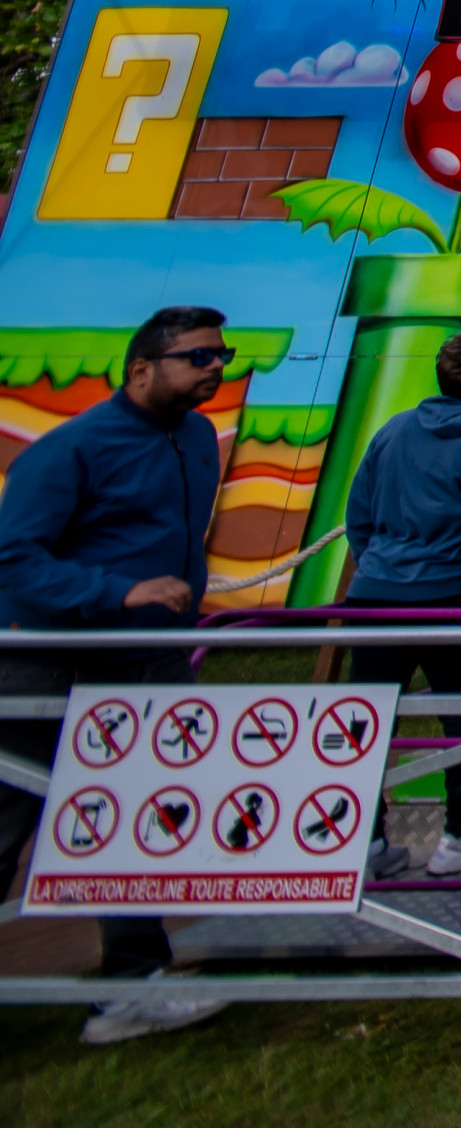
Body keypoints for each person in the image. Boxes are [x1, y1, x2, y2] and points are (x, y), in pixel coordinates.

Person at [0, 306, 233, 1044]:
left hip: (149, 659)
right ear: (141, 369)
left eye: (222, 355)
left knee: (138, 817)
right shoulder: (70, 451)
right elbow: (14, 559)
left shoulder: (196, 438)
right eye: (198, 357)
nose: (215, 368)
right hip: (51, 660)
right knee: (9, 818)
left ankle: (131, 984)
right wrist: (117, 592)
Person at [343, 325, 461, 879]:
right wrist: (457, 547)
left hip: (375, 594)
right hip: (453, 593)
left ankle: (360, 839)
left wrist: (384, 564)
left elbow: (359, 517)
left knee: (364, 720)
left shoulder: (394, 429)